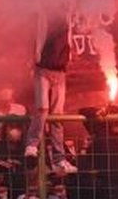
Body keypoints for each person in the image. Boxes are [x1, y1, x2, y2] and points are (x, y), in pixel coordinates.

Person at [25, 12, 77, 174]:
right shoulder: (44, 14)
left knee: (57, 116)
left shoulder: (67, 17)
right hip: (43, 69)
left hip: (59, 71)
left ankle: (59, 159)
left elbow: (68, 36)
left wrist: (69, 55)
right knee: (42, 109)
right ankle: (32, 146)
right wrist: (34, 57)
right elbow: (39, 32)